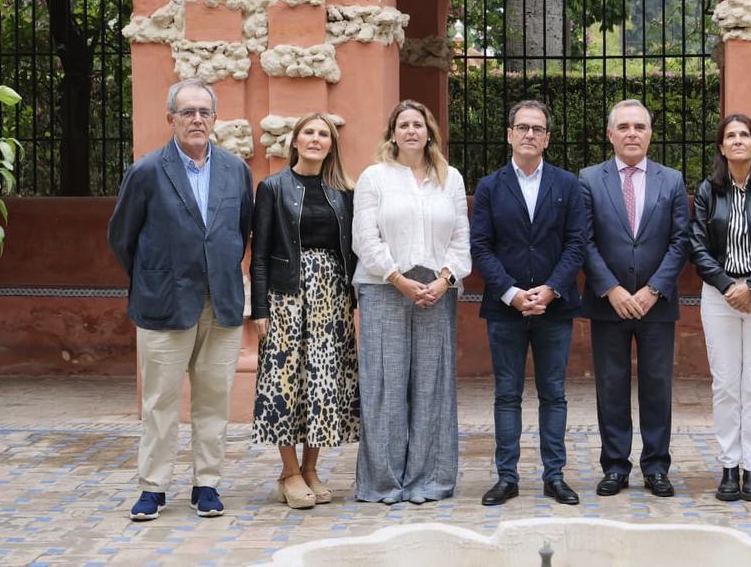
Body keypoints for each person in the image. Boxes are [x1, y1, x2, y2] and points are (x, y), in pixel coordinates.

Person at [107, 77, 253, 521]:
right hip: (165, 303)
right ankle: (153, 487)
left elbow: (240, 230)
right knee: (160, 402)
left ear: (214, 119)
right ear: (170, 118)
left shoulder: (235, 170)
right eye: (187, 112)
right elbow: (121, 237)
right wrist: (156, 277)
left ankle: (206, 483)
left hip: (222, 303)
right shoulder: (149, 170)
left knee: (213, 399)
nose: (196, 119)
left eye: (204, 112)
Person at [352, 99, 471, 505]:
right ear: (392, 133)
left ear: (429, 131)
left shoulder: (449, 178)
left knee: (432, 385)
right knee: (384, 384)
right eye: (403, 125)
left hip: (437, 291)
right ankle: (383, 483)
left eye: (418, 124)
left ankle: (428, 480)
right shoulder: (374, 178)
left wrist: (444, 279)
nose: (411, 131)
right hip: (385, 287)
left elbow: (461, 239)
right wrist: (398, 279)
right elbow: (365, 239)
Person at [470, 100, 587, 506]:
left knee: (553, 393)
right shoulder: (489, 186)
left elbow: (577, 243)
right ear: (509, 134)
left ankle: (554, 476)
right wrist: (512, 293)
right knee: (507, 394)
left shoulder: (568, 184)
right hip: (505, 308)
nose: (529, 135)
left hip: (555, 307)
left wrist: (553, 288)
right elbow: (480, 247)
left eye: (537, 129)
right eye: (522, 127)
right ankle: (507, 477)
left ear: (547, 138)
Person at [579, 99, 691, 498]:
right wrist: (611, 289)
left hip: (655, 303)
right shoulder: (589, 179)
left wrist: (652, 289)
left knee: (657, 385)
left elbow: (681, 241)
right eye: (623, 126)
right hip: (608, 302)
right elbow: (584, 240)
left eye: (639, 127)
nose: (631, 133)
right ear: (610, 134)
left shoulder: (671, 180)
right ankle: (614, 466)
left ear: (650, 133)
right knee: (610, 385)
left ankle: (657, 466)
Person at [250, 113, 359, 509]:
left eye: (323, 134)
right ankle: (289, 472)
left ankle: (311, 469)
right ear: (295, 142)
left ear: (332, 144)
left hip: (331, 295)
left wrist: (353, 300)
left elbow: (353, 250)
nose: (316, 139)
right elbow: (259, 254)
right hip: (286, 296)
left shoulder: (344, 191)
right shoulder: (273, 188)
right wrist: (259, 307)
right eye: (309, 133)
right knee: (284, 383)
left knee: (323, 383)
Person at [689, 114, 751, 503]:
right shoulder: (707, 191)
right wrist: (727, 286)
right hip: (719, 295)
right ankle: (729, 466)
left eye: (744, 135)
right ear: (721, 147)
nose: (737, 141)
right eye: (730, 136)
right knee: (727, 382)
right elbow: (696, 244)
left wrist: (750, 285)